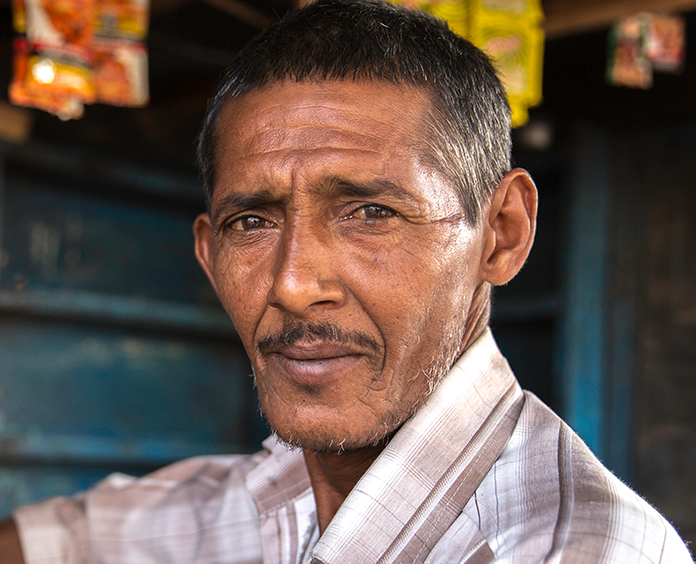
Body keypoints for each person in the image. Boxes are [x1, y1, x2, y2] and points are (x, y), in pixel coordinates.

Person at [1, 0, 693, 562]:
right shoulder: (270, 495)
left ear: (502, 234)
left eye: (371, 212)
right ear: (210, 257)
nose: (294, 284)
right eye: (252, 223)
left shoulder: (576, 551)